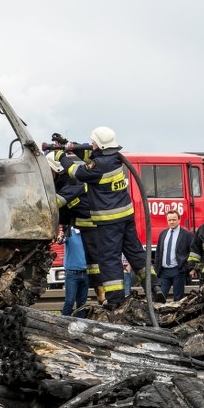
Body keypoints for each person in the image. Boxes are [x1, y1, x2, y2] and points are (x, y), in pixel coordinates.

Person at [55, 127, 164, 309]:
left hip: (109, 221)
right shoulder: (114, 159)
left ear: (101, 144)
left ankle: (115, 300)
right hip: (126, 216)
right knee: (136, 253)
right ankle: (155, 286)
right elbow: (92, 158)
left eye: (94, 142)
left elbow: (77, 172)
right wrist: (69, 145)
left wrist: (61, 157)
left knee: (109, 258)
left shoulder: (99, 166)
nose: (92, 144)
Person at [50, 151, 100, 307]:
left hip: (92, 226)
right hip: (81, 224)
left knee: (95, 263)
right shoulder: (60, 183)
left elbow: (57, 202)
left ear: (57, 170)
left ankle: (104, 294)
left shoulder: (73, 182)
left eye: (49, 170)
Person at [156, 210, 195, 301]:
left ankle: (176, 315)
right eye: (169, 220)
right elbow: (158, 252)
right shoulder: (163, 234)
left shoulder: (187, 235)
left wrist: (190, 267)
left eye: (174, 219)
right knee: (160, 297)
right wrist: (156, 269)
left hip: (178, 270)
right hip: (164, 271)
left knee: (178, 298)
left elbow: (193, 251)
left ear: (179, 220)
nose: (172, 222)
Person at [59, 226, 89, 317]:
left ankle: (81, 324)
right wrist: (61, 237)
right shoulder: (69, 233)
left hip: (85, 273)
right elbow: (60, 240)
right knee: (69, 301)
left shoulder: (87, 234)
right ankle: (63, 323)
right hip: (72, 274)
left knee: (82, 303)